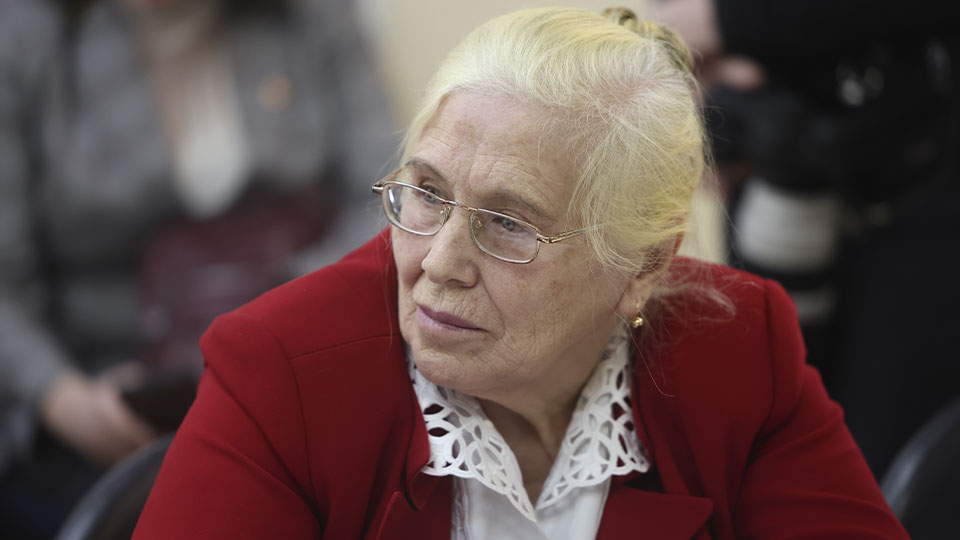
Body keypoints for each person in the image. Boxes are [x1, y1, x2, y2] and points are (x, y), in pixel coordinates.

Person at [133, 7, 908, 539]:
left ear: (643, 267)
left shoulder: (736, 346)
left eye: (509, 223)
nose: (439, 264)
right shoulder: (281, 368)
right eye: (427, 193)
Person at [0, 0, 393, 537]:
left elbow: (384, 200)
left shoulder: (312, 17)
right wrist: (64, 399)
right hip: (108, 389)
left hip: (295, 361)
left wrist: (298, 311)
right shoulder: (26, 33)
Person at [652, 0, 960, 479]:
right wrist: (697, 75)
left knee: (886, 473)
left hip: (918, 201)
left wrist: (724, 21)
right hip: (778, 171)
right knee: (774, 441)